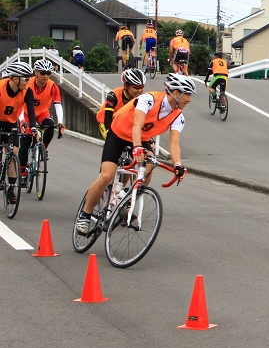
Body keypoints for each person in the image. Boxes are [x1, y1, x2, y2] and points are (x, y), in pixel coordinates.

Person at [76, 73, 195, 236]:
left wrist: (178, 164)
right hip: (119, 133)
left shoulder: (178, 117)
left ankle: (127, 198)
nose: (189, 100)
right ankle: (85, 214)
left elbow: (174, 143)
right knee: (107, 175)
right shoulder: (149, 99)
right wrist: (137, 147)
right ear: (176, 93)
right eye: (187, 95)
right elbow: (137, 124)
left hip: (141, 138)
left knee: (150, 164)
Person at [0, 62, 37, 203]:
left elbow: (31, 110)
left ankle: (11, 189)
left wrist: (33, 127)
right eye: (26, 79)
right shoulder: (1, 87)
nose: (28, 82)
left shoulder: (27, 91)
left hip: (12, 123)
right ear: (15, 79)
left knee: (13, 153)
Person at [24, 59, 65, 154]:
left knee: (50, 126)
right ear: (35, 72)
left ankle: (43, 149)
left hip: (42, 112)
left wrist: (60, 122)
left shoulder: (53, 86)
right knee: (26, 140)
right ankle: (22, 168)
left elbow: (57, 104)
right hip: (27, 113)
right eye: (42, 73)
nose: (45, 76)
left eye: (48, 73)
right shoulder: (27, 84)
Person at [96, 68, 146, 139]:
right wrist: (110, 134)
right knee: (114, 143)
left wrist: (150, 139)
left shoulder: (142, 98)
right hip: (107, 122)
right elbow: (108, 118)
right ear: (126, 86)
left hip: (124, 123)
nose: (140, 90)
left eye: (142, 87)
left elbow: (145, 120)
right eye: (136, 87)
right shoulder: (113, 95)